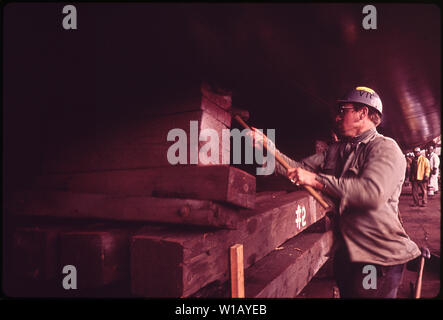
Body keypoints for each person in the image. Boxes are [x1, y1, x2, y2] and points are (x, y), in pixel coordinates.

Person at [251, 86, 420, 298]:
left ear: (362, 113)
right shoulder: (336, 150)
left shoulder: (385, 148)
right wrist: (266, 148)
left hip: (377, 257)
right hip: (348, 254)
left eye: (343, 110)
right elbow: (297, 169)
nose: (337, 117)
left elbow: (371, 194)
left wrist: (317, 180)